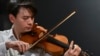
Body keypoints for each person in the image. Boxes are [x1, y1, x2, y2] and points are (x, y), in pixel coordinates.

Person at [0, 0, 81, 56]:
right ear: (12, 18)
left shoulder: (40, 46)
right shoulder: (1, 37)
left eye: (32, 17)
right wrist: (7, 45)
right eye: (25, 18)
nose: (30, 22)